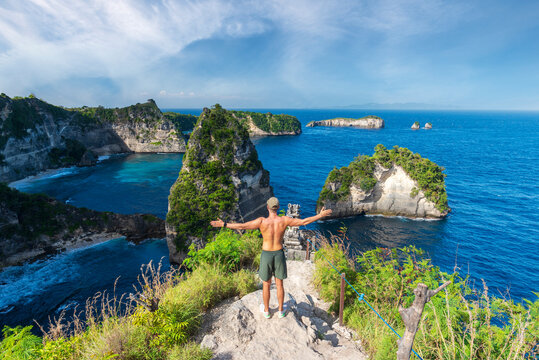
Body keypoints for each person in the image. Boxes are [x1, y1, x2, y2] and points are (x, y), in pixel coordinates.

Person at [210, 197, 332, 319]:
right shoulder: (284, 220)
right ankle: (280, 311)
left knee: (266, 284)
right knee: (279, 284)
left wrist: (224, 224)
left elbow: (242, 226)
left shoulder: (262, 221)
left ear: (267, 207)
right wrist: (320, 215)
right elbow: (304, 222)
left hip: (266, 254)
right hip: (279, 253)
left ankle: (267, 311)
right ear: (278, 208)